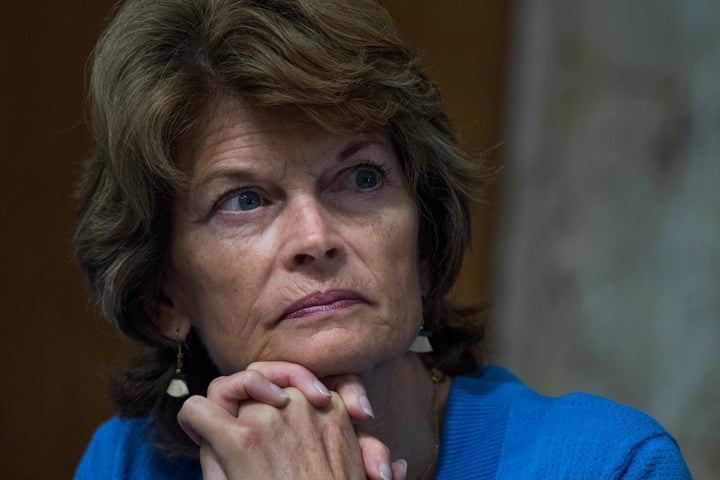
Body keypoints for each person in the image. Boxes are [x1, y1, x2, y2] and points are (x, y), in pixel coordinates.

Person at [73, 0, 691, 479]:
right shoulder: (128, 463)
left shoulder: (610, 463)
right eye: (244, 200)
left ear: (423, 240)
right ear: (166, 296)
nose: (315, 238)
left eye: (361, 178)